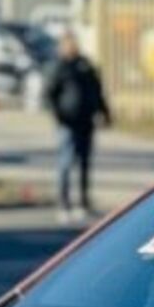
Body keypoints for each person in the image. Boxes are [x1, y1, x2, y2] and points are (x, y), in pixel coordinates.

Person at [46, 31, 111, 222]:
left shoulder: (85, 65)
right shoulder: (59, 67)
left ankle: (83, 202)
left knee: (84, 163)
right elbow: (50, 94)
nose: (72, 47)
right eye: (68, 44)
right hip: (67, 122)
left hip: (86, 121)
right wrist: (59, 115)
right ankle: (63, 203)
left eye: (74, 43)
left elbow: (97, 90)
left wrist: (104, 112)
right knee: (65, 163)